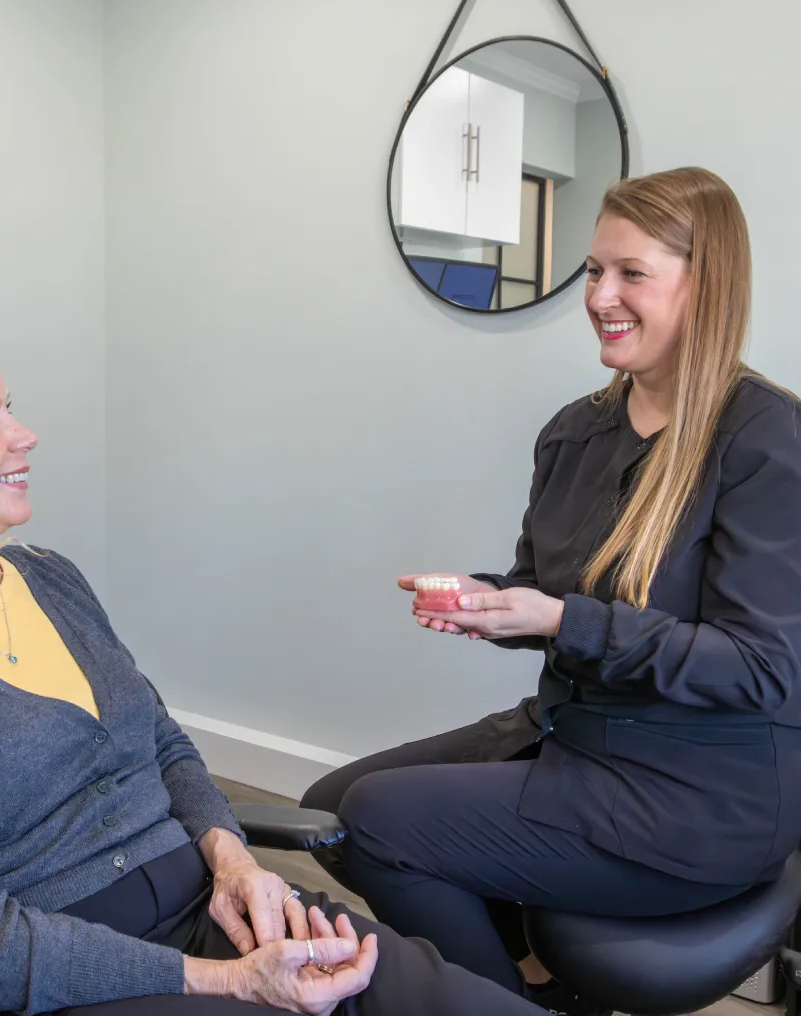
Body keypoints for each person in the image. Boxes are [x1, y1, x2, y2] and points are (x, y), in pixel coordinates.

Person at [0, 312, 547, 1016]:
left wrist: (233, 860)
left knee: (440, 997)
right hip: (32, 980)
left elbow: (165, 745)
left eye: (11, 405)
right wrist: (231, 981)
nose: (27, 434)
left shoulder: (49, 578)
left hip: (199, 907)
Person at [302, 167, 801, 1016]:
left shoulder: (766, 440)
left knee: (381, 819)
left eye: (630, 273)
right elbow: (549, 595)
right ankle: (530, 983)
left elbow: (762, 670)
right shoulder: (574, 433)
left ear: (704, 283)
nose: (599, 294)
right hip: (575, 734)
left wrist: (564, 619)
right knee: (328, 809)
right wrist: (491, 604)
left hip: (697, 791)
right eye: (593, 270)